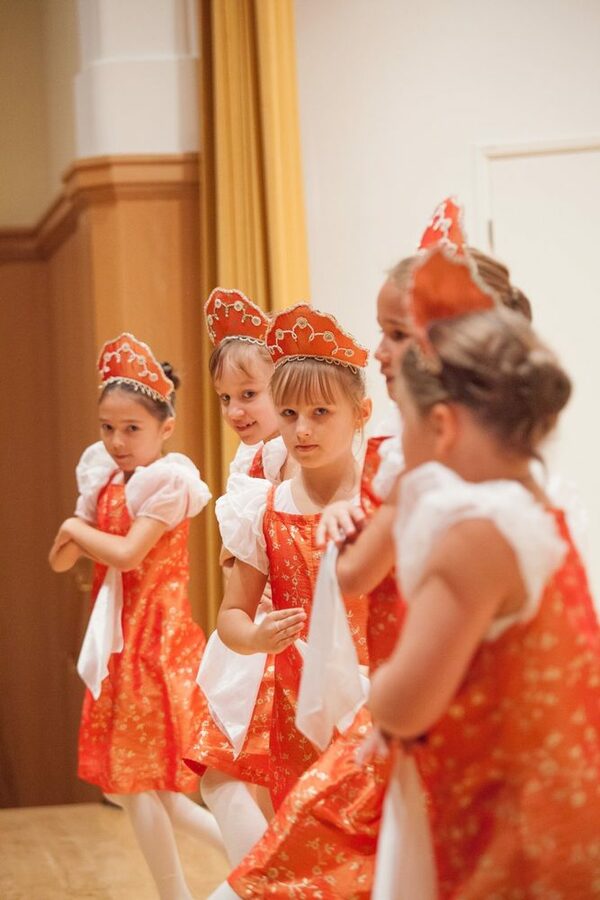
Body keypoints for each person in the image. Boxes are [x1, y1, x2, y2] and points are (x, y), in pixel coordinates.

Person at [369, 246, 600, 896]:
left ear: (441, 426)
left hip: (507, 823)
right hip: (551, 798)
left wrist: (376, 687)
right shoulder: (535, 504)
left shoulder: (475, 536)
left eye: (404, 420)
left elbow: (405, 705)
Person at [49, 333, 223, 900]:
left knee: (138, 785)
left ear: (165, 427)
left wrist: (75, 531)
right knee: (142, 790)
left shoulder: (167, 482)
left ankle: (235, 870)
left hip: (155, 643)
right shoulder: (102, 479)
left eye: (131, 428)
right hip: (120, 644)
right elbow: (60, 561)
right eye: (107, 427)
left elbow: (126, 553)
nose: (117, 441)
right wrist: (76, 532)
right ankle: (258, 861)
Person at [184, 288, 294, 865]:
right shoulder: (250, 459)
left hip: (276, 631)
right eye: (226, 397)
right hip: (252, 628)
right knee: (242, 781)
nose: (235, 410)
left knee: (227, 778)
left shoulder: (285, 456)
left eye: (249, 394)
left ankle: (264, 883)